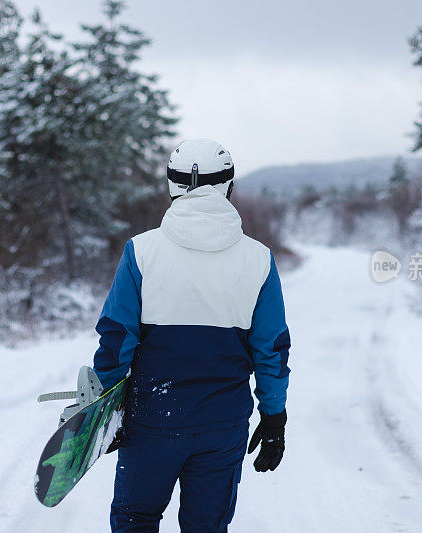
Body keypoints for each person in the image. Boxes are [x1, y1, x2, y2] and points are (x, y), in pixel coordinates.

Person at [92, 138, 291, 533]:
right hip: (222, 425)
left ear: (172, 183)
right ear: (228, 185)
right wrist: (274, 417)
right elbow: (271, 349)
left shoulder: (141, 252)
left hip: (150, 420)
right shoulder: (258, 259)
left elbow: (116, 341)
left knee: (134, 520)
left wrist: (105, 407)